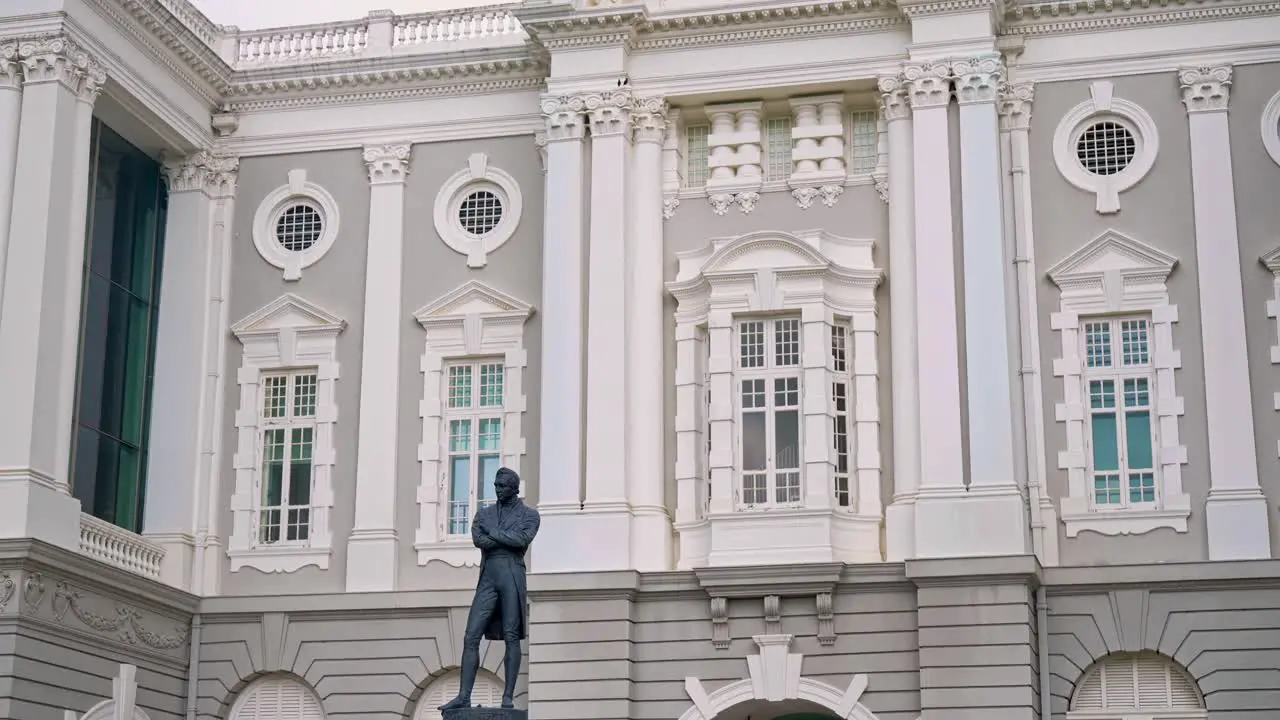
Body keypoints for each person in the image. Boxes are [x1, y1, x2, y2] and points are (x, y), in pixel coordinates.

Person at [439, 467, 540, 711]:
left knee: (511, 636)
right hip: (489, 577)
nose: (497, 489)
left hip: (512, 576)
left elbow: (521, 540)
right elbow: (478, 539)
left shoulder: (530, 515)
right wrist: (505, 538)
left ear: (514, 488)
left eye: (502, 486)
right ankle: (464, 695)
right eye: (495, 485)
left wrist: (495, 535)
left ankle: (508, 696)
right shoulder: (483, 515)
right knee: (471, 635)